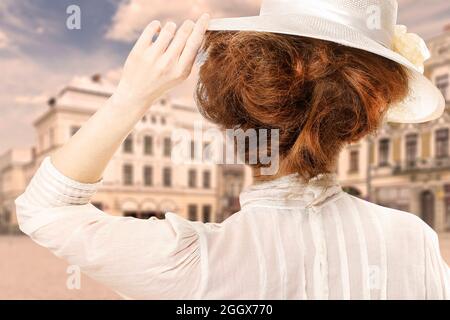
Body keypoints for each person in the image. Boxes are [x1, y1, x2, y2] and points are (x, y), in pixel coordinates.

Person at [15, 0, 449, 299]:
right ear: (361, 123)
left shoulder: (192, 263)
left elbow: (45, 212)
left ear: (234, 114)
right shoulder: (417, 243)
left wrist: (131, 96)